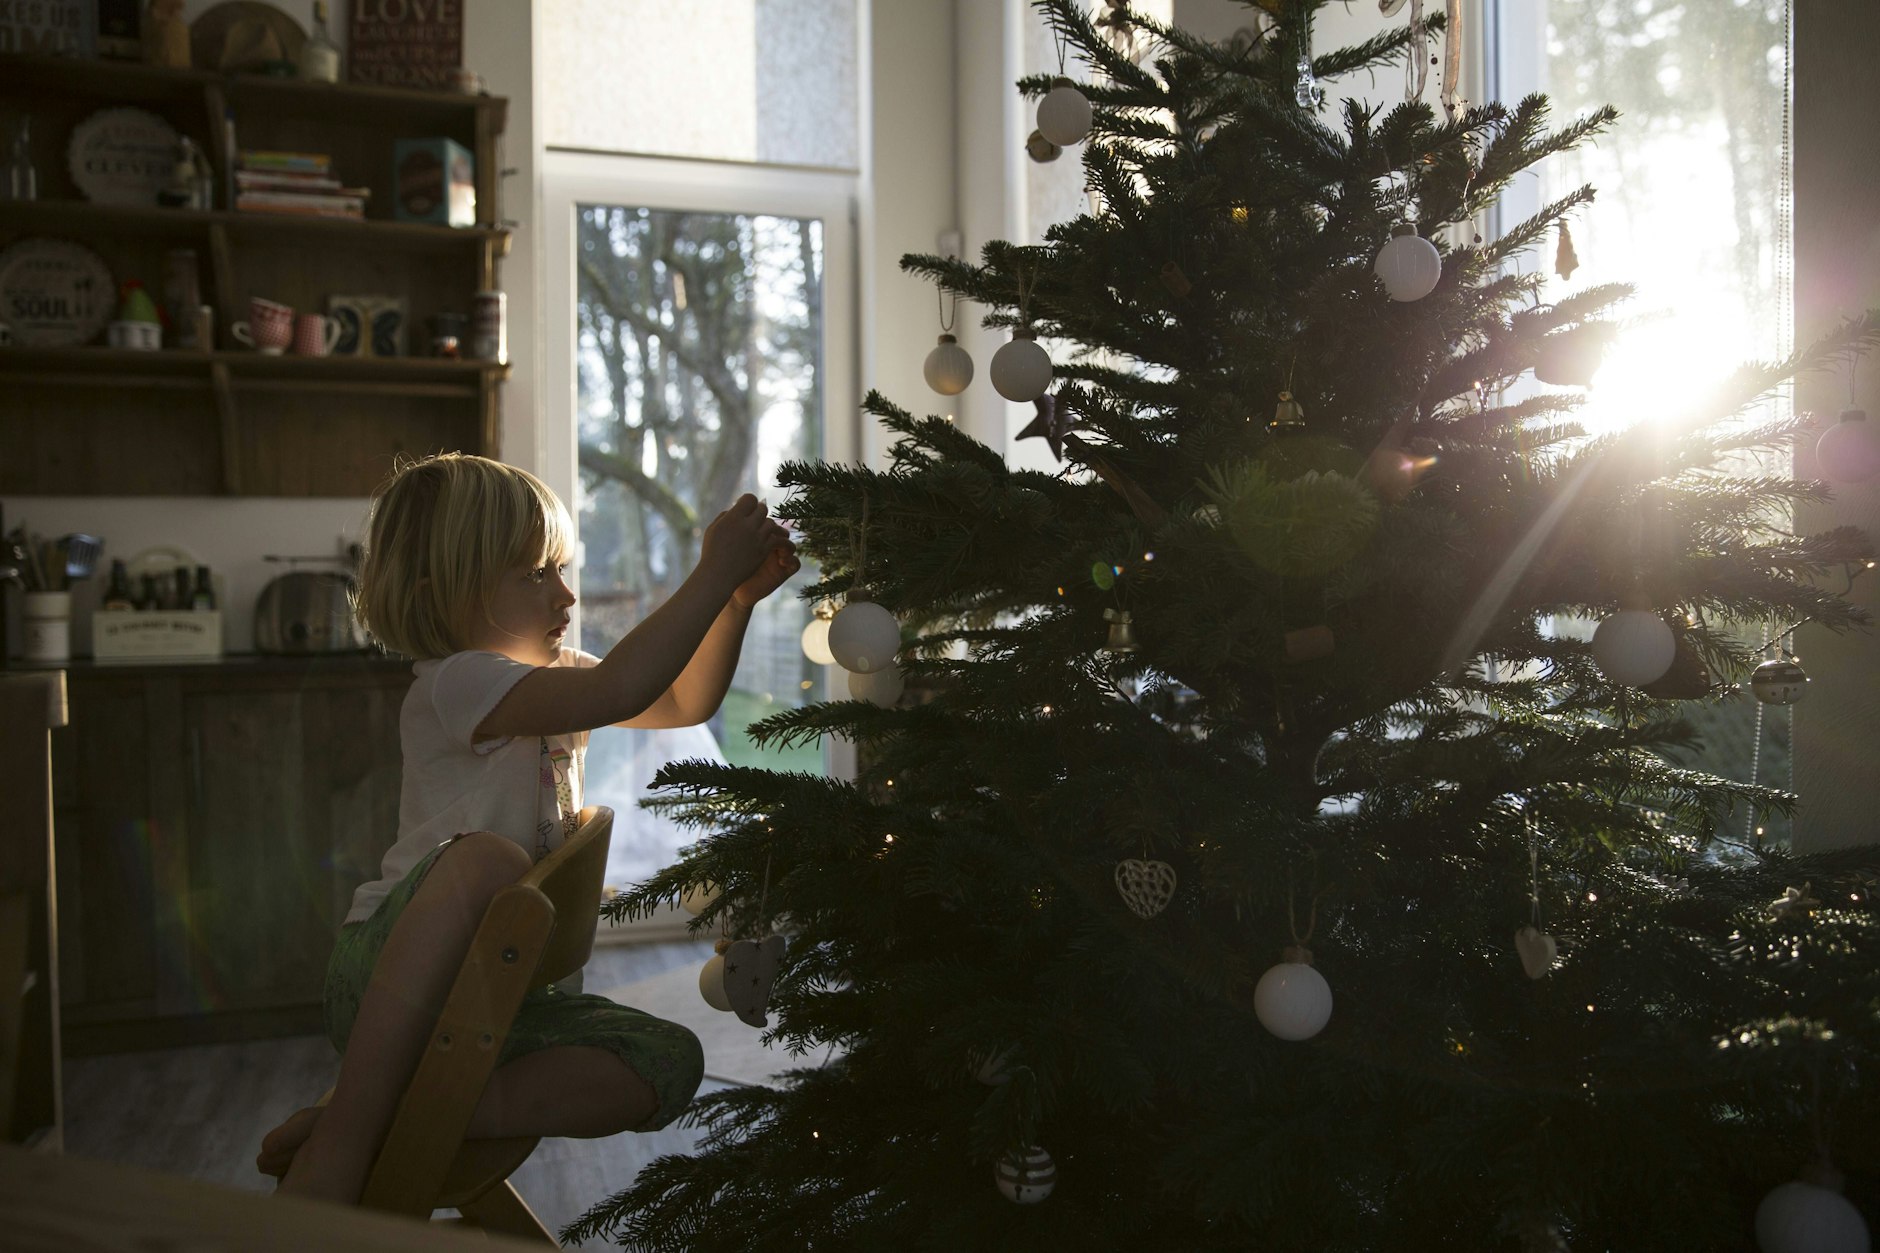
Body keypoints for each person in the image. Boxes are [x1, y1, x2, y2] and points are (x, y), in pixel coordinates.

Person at [256, 452, 799, 1204]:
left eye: (560, 569)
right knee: (485, 861)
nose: (565, 593)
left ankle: (421, 1112)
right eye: (535, 574)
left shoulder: (554, 672)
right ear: (442, 591)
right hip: (394, 978)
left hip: (504, 997)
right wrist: (706, 576)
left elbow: (678, 701)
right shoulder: (459, 680)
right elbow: (622, 686)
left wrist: (733, 601)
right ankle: (350, 1126)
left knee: (669, 1059)